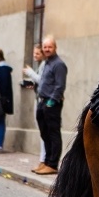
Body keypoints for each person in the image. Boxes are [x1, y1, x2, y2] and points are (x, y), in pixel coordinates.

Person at [33, 35, 67, 175]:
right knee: (44, 133)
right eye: (45, 47)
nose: (47, 49)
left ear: (55, 48)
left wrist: (51, 102)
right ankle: (46, 162)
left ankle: (52, 164)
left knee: (53, 134)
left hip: (51, 104)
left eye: (49, 47)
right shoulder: (47, 62)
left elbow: (60, 86)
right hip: (42, 102)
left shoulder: (59, 64)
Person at [23, 43, 46, 162]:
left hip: (43, 100)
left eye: (37, 53)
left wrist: (31, 73)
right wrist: (34, 86)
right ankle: (43, 157)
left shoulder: (44, 65)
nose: (34, 55)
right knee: (42, 129)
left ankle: (44, 158)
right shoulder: (41, 65)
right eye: (34, 53)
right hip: (38, 97)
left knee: (44, 130)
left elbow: (42, 80)